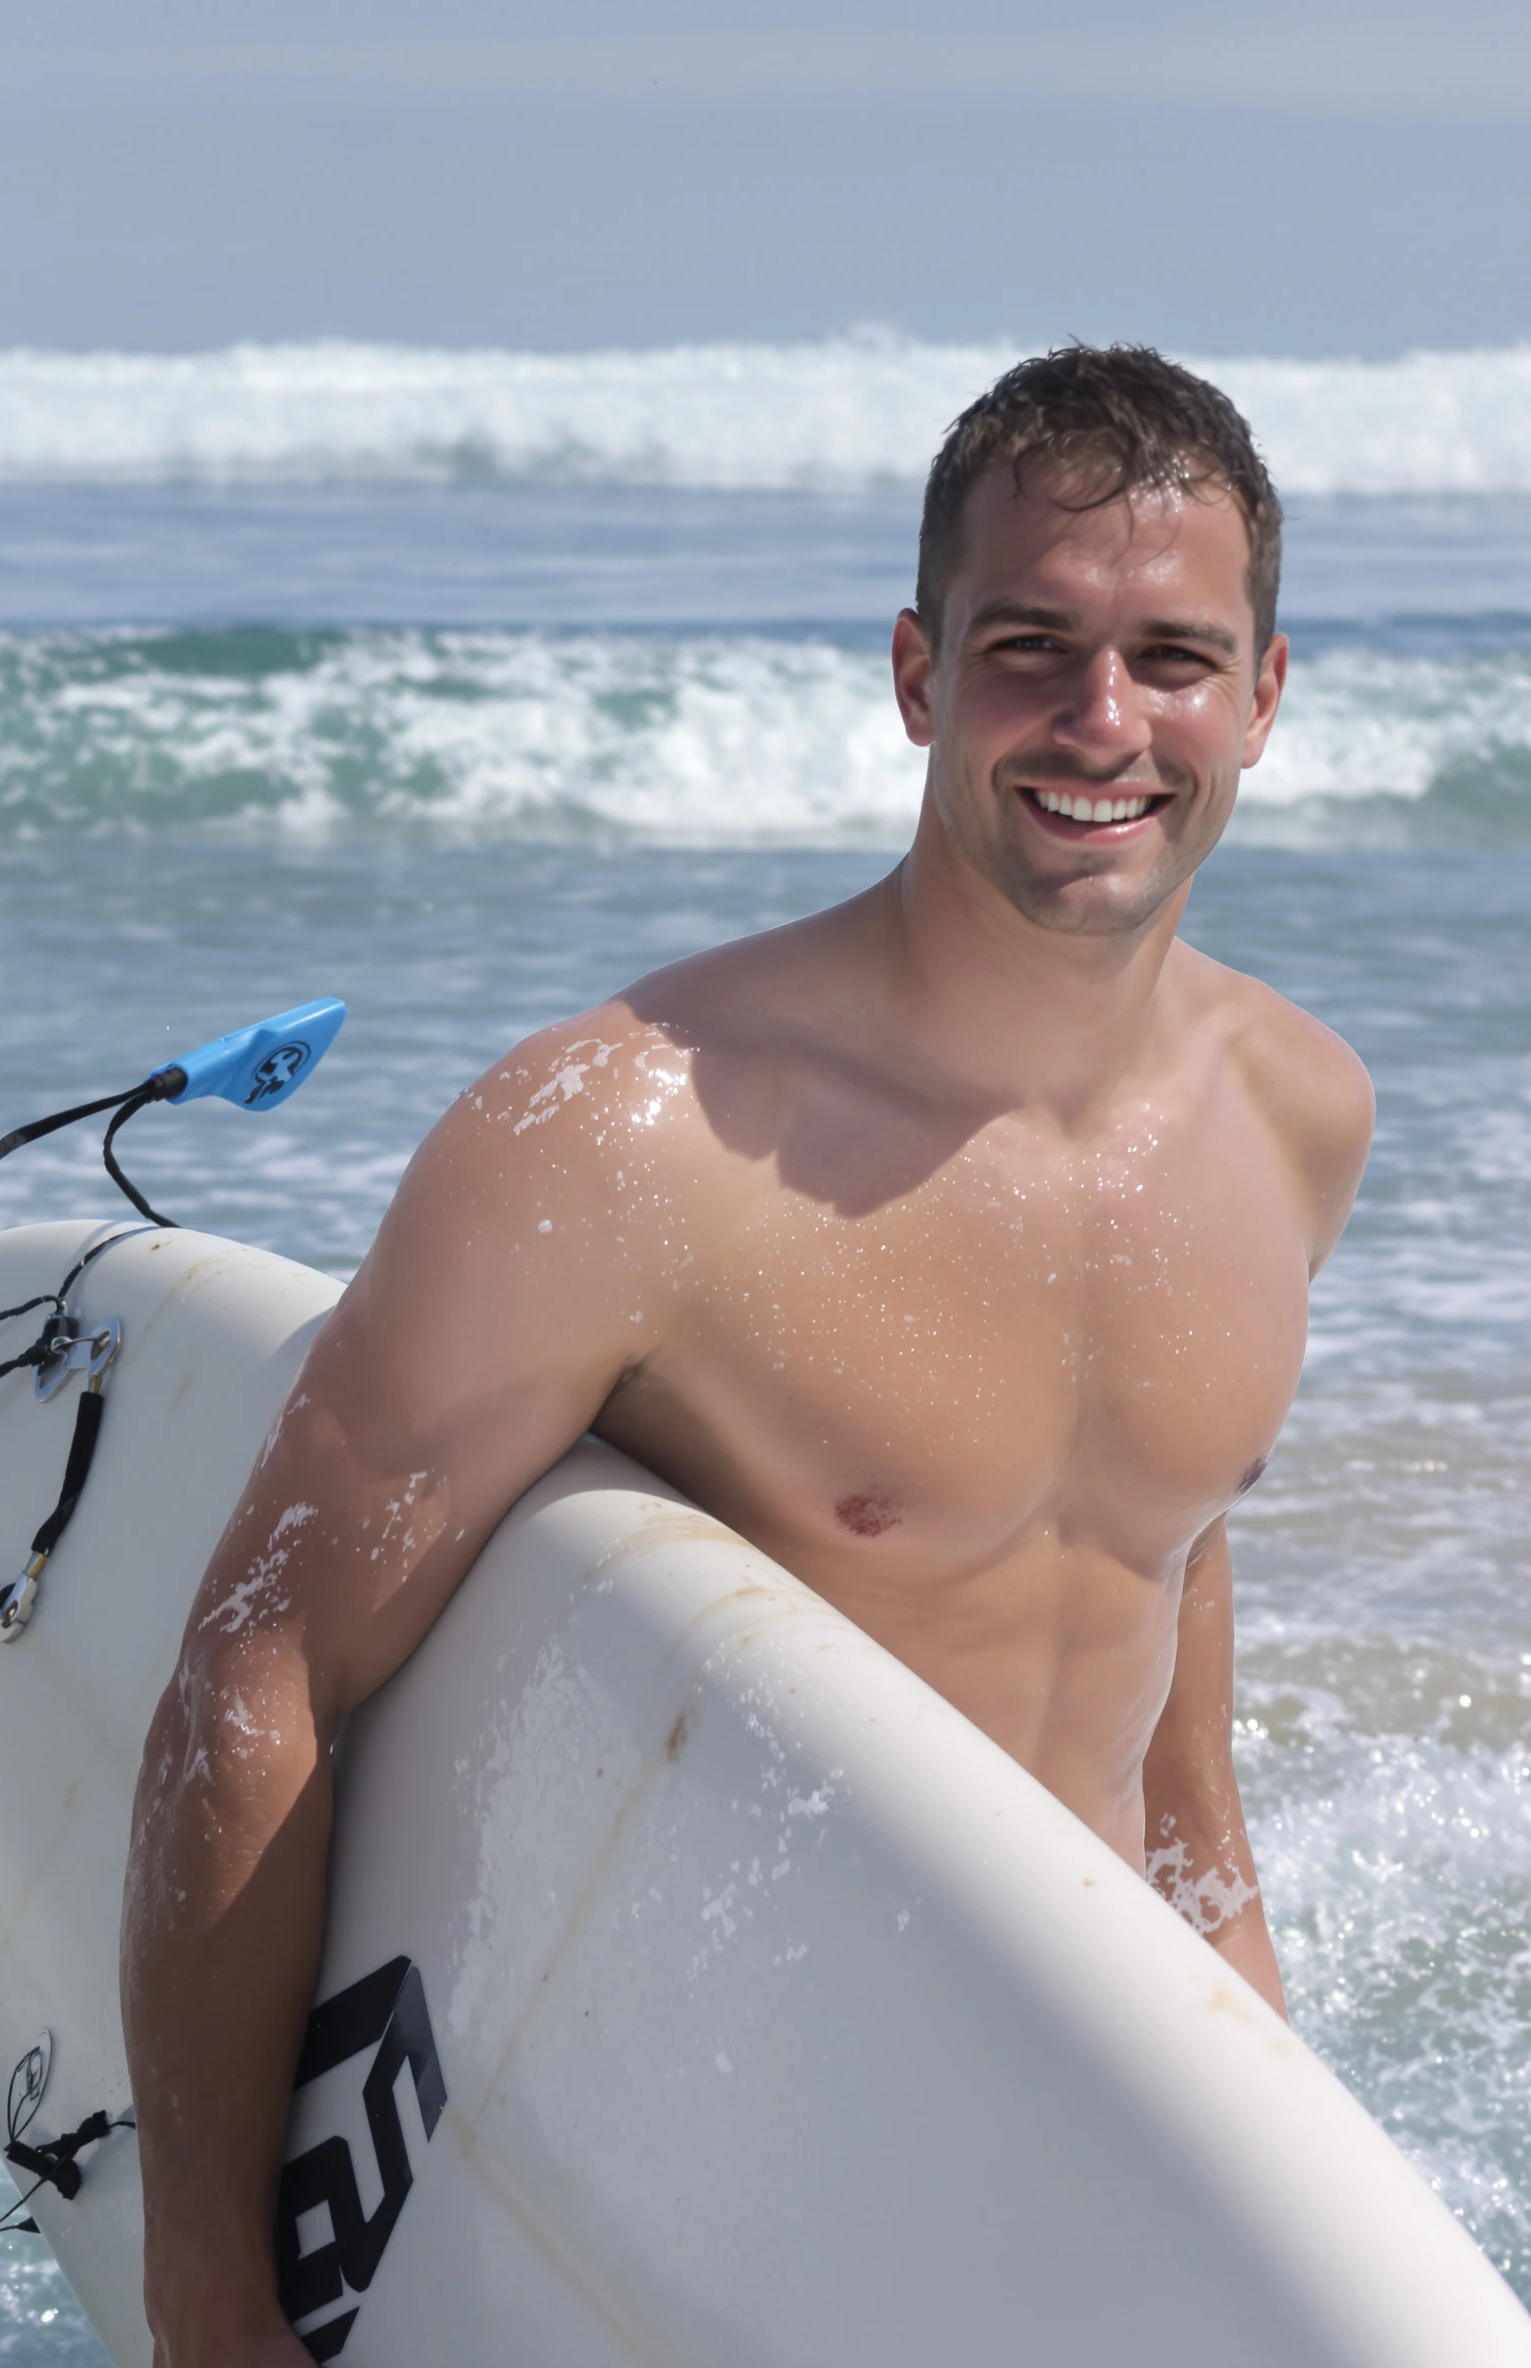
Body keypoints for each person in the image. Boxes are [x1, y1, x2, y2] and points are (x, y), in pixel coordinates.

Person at [120, 344, 1373, 2366]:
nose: (1100, 723)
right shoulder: (628, 1143)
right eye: (1026, 646)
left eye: (1168, 658)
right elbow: (260, 1664)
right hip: (692, 2154)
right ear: (912, 672)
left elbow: (1161, 1614)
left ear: (1260, 695)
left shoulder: (1295, 1120)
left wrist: (1266, 2147)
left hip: (1047, 2142)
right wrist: (211, 2301)